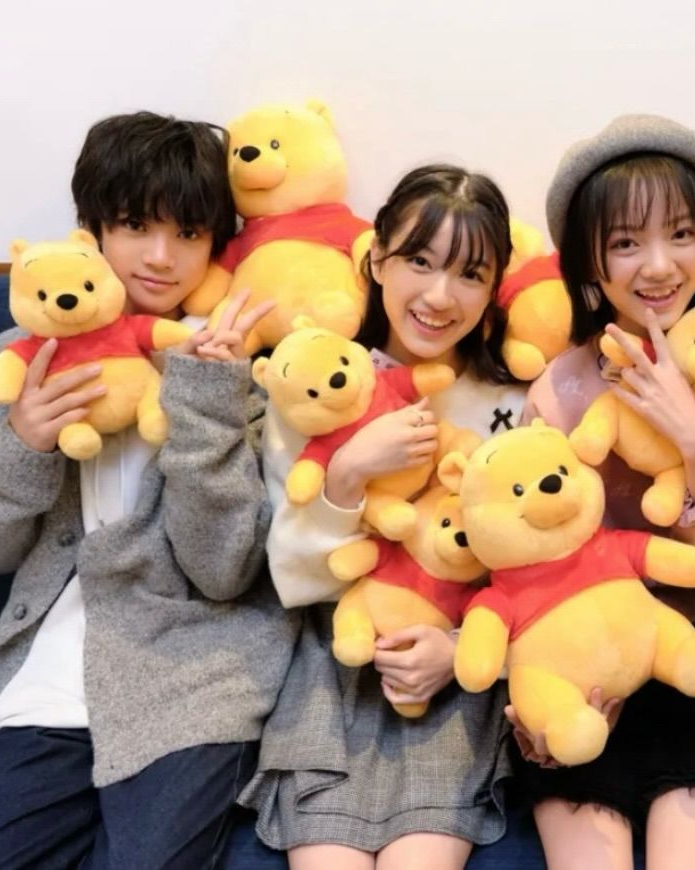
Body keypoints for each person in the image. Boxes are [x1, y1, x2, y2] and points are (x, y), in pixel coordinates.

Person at [0, 110, 296, 868]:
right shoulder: (19, 358)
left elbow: (222, 572)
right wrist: (23, 445)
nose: (160, 257)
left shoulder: (243, 365)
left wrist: (208, 401)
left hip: (194, 670)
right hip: (51, 671)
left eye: (189, 233)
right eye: (135, 225)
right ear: (91, 230)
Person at [518, 113, 695, 870]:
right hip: (594, 647)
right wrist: (575, 678)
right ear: (589, 261)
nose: (658, 266)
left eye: (681, 233)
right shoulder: (560, 390)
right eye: (625, 242)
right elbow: (538, 561)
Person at [241, 164, 528, 870]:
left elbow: (538, 575)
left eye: (469, 273)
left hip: (451, 677)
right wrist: (346, 472)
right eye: (419, 261)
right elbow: (292, 577)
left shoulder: (514, 405)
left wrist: (457, 651)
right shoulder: (313, 383)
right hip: (330, 667)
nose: (439, 295)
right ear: (376, 259)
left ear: (494, 288)